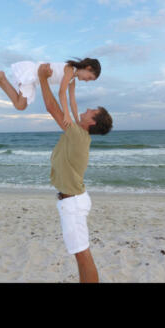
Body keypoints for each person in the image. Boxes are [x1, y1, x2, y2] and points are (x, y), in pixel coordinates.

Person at [36, 62, 112, 283]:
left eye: (91, 111)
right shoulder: (79, 132)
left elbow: (52, 106)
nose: (86, 110)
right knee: (81, 254)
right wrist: (71, 86)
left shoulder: (77, 134)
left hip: (73, 204)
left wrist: (42, 78)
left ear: (91, 121)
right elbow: (72, 104)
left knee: (83, 255)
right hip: (73, 201)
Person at [0, 58, 100, 128]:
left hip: (36, 79)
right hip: (34, 73)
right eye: (89, 77)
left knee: (20, 105)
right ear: (87, 68)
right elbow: (61, 93)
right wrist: (67, 115)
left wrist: (77, 121)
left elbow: (73, 101)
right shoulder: (70, 69)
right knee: (20, 105)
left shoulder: (72, 80)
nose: (87, 81)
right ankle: (2, 79)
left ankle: (1, 80)